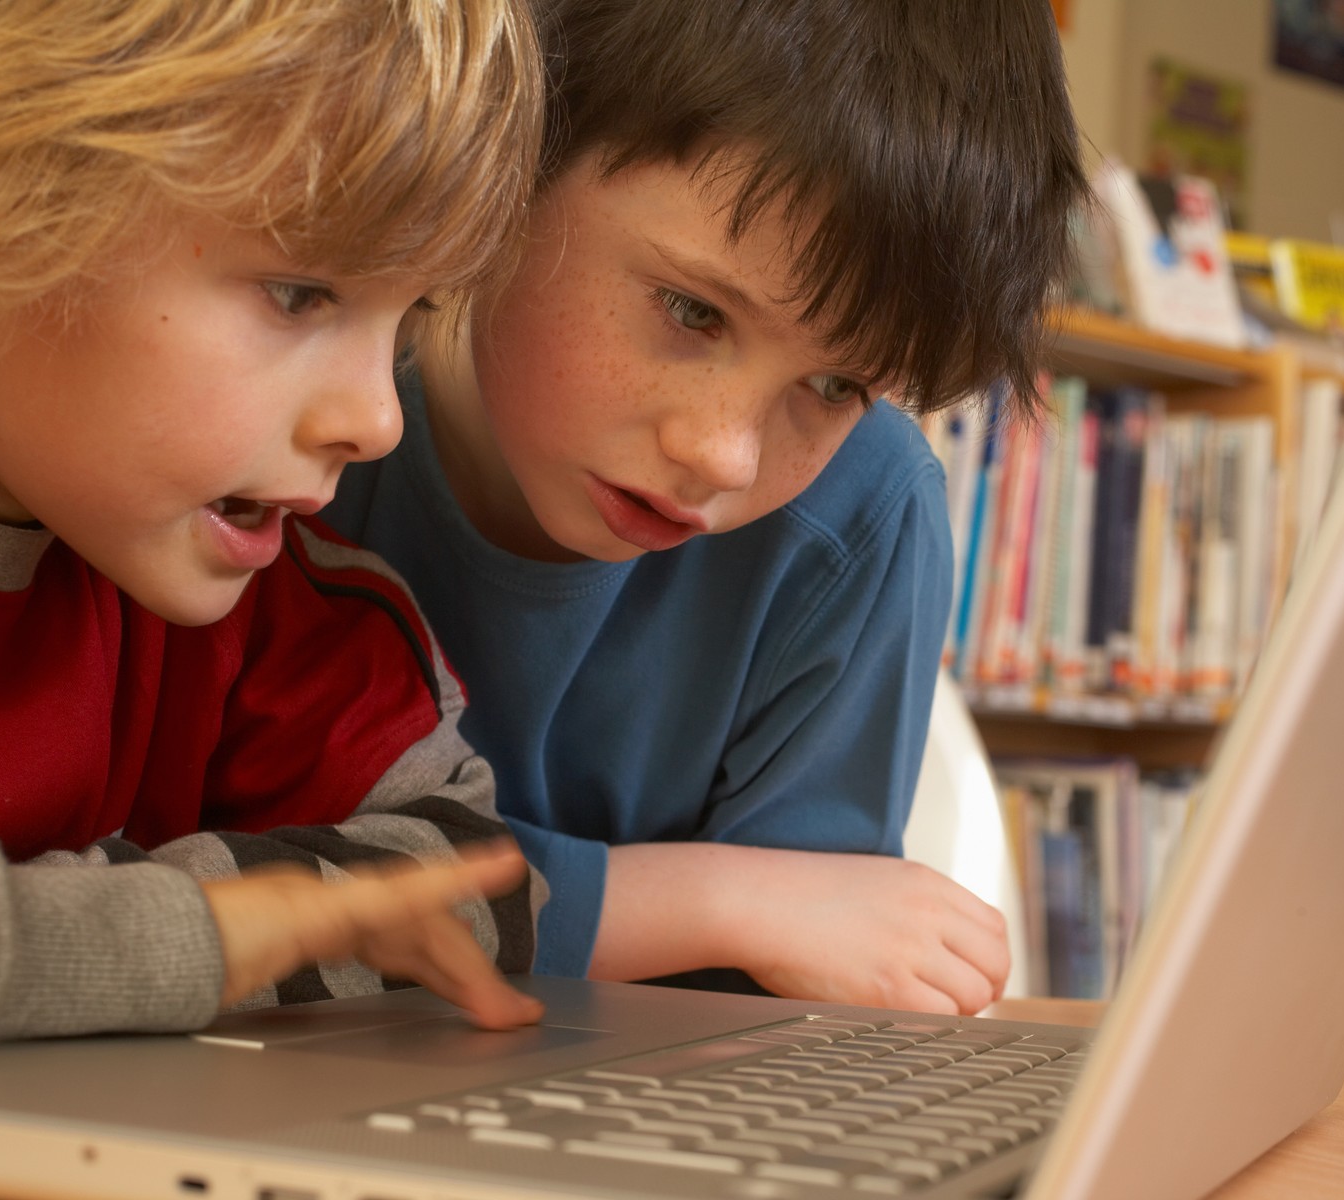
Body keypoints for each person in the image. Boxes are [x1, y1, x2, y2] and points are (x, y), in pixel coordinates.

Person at [0, 0, 546, 1065]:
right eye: (297, 291)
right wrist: (190, 939)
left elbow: (467, 881)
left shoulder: (260, 592)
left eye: (409, 317)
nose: (378, 421)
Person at [322, 0, 1088, 1013]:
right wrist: (715, 897)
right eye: (692, 311)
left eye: (834, 389)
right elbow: (235, 880)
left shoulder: (865, 518)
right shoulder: (303, 415)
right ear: (509, 151)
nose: (721, 455)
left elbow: (808, 972)